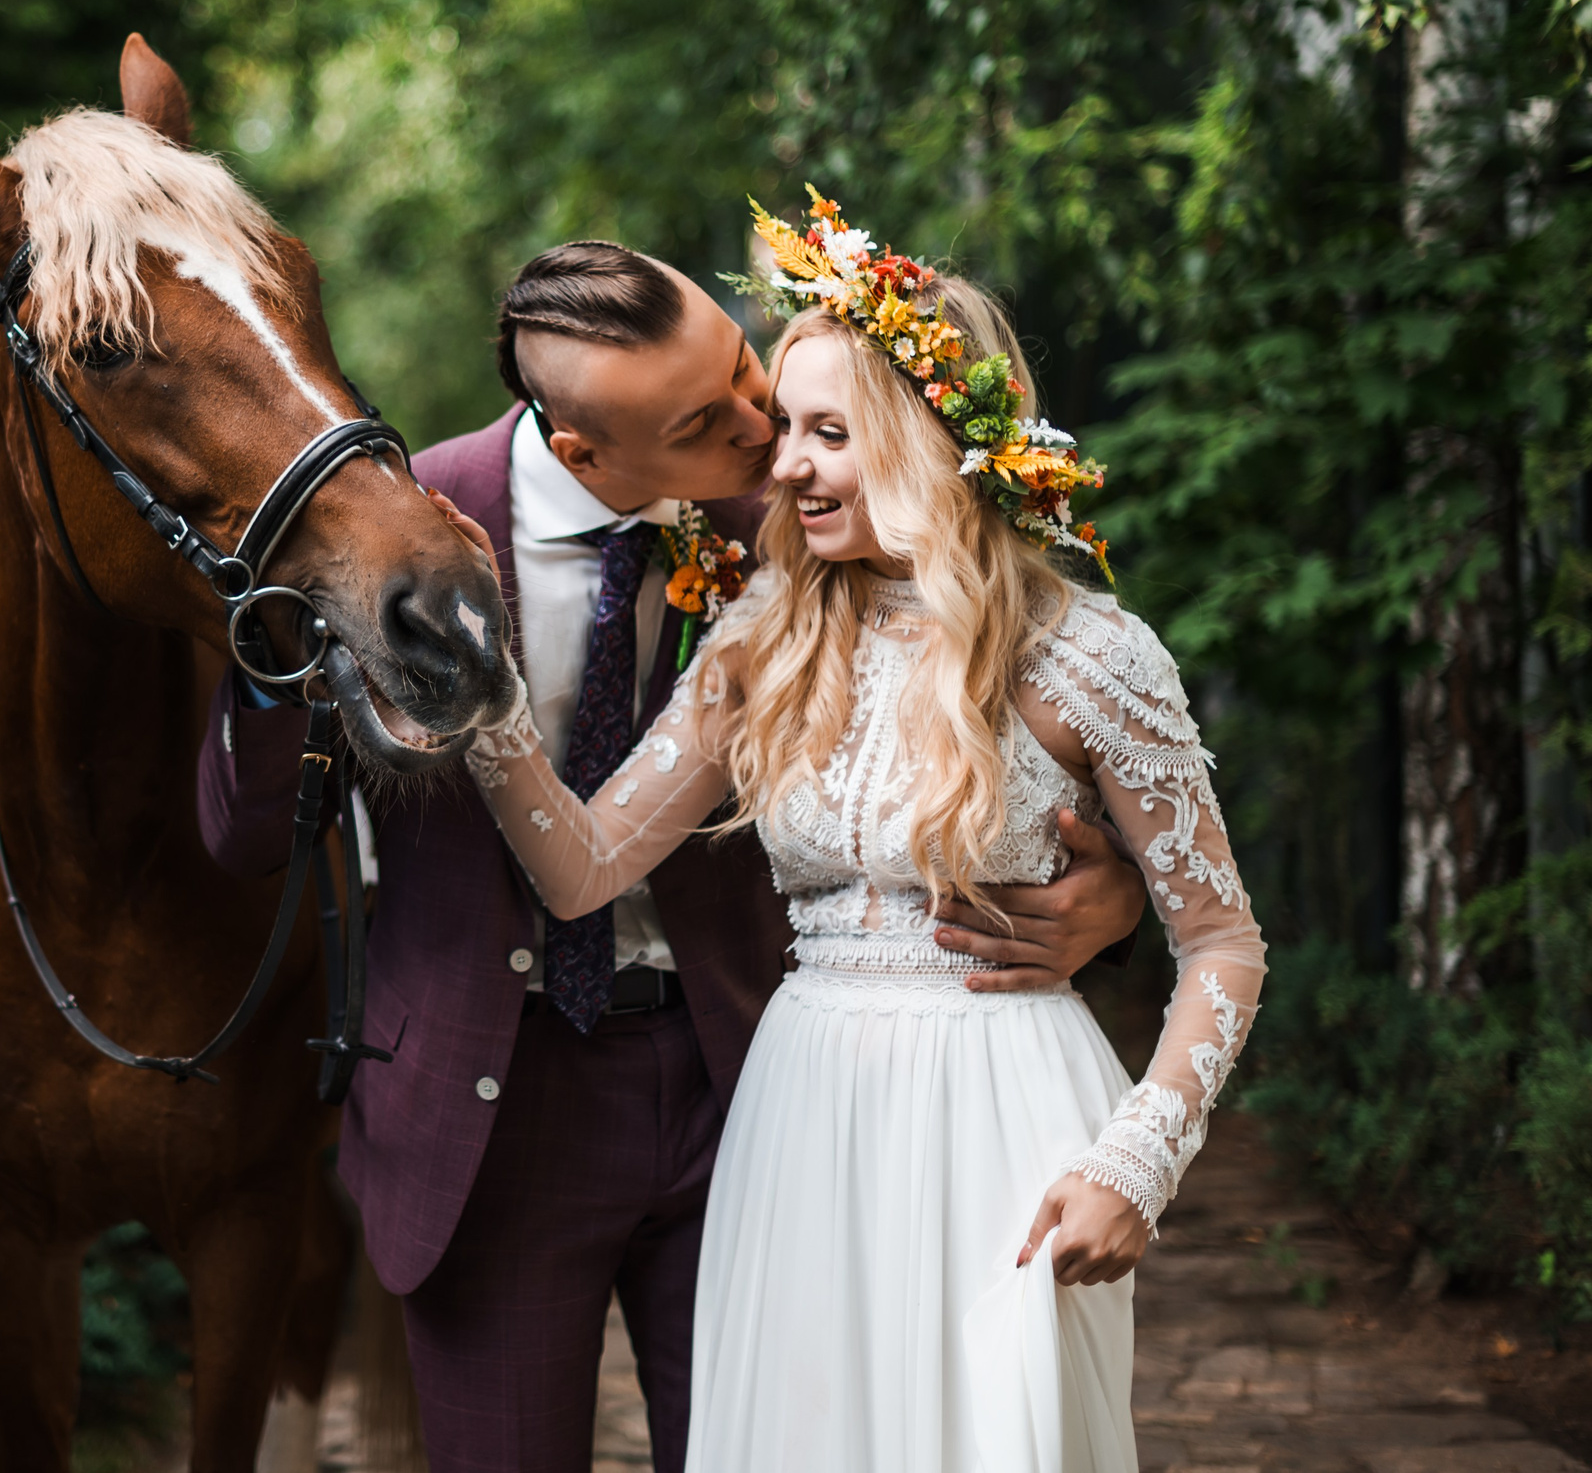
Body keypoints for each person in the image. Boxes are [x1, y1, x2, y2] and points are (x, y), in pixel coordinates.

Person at [193, 239, 1152, 1471]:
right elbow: (244, 831)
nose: (763, 431)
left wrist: (1114, 891)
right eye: (713, 420)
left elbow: (1025, 722)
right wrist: (288, 619)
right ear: (587, 451)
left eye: (749, 374)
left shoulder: (814, 522)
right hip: (495, 1113)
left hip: (759, 1091)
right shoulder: (401, 530)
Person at [434, 195, 1268, 1472]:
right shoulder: (764, 633)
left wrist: (1138, 1160)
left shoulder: (1092, 655)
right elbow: (582, 866)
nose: (783, 463)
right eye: (793, 429)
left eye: (828, 432)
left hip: (1007, 1109)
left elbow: (1219, 937)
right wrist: (482, 697)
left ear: (929, 437)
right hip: (803, 1105)